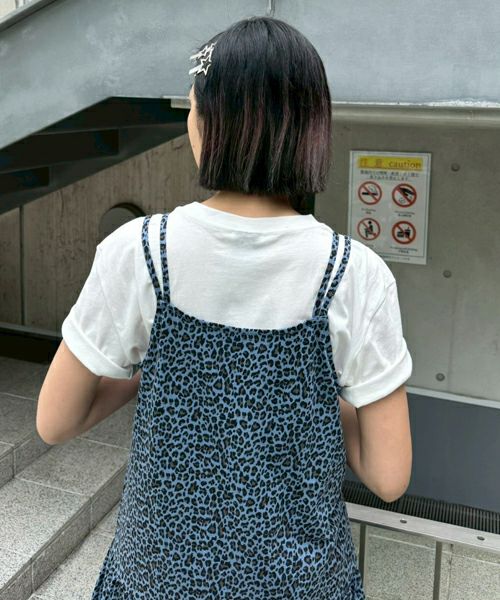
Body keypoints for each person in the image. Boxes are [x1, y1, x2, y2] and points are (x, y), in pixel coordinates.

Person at [36, 15, 412, 599]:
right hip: (301, 584)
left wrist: (151, 371)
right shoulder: (356, 274)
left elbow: (55, 421)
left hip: (157, 577)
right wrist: (313, 397)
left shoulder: (141, 252)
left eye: (191, 107)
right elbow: (388, 478)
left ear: (208, 124)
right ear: (311, 129)